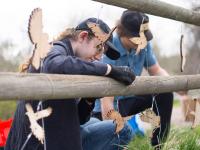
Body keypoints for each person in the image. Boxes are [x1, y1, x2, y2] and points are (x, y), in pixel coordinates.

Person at [5, 18, 136, 150]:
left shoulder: (74, 62)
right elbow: (53, 65)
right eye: (99, 48)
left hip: (53, 134)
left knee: (94, 122)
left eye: (102, 53)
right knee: (123, 130)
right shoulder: (52, 49)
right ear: (83, 36)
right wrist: (108, 69)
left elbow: (79, 119)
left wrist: (89, 98)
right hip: (38, 144)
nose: (98, 57)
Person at [93, 10, 174, 149]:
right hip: (106, 105)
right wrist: (114, 132)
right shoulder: (109, 48)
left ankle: (159, 145)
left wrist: (174, 84)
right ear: (123, 33)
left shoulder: (143, 44)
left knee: (165, 92)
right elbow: (106, 100)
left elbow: (156, 71)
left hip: (129, 98)